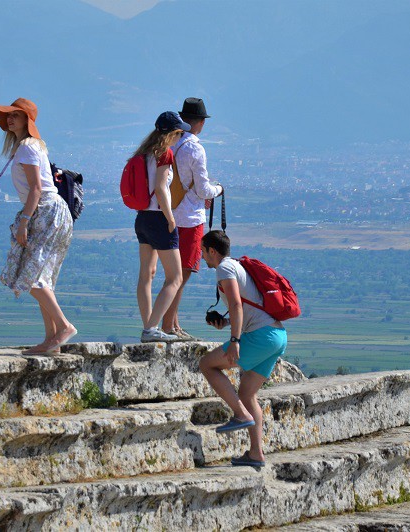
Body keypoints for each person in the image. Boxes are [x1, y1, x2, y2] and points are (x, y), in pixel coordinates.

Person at [0, 98, 77, 354]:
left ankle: (63, 327)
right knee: (43, 278)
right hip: (55, 212)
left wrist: (24, 222)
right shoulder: (33, 146)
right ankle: (51, 340)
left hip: (45, 212)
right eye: (9, 115)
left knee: (32, 277)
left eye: (16, 116)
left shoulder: (27, 147)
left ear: (27, 120)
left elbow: (36, 189)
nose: (10, 119)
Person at [198, 230, 288, 467]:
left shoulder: (224, 268)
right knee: (248, 393)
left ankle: (240, 414)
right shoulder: (238, 266)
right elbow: (247, 308)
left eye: (203, 251)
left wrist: (235, 340)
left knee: (206, 365)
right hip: (276, 335)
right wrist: (226, 323)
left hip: (259, 336)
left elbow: (237, 304)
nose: (202, 256)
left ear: (212, 251)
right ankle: (256, 453)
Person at [161, 98, 223, 339]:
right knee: (182, 275)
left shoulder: (171, 142)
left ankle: (173, 323)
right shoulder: (194, 147)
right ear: (199, 122)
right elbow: (203, 190)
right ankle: (169, 325)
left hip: (167, 214)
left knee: (172, 276)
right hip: (188, 217)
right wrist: (219, 189)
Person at [133, 111, 193, 343]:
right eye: (178, 133)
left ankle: (149, 324)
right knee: (175, 277)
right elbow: (160, 188)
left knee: (147, 274)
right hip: (158, 217)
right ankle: (150, 329)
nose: (179, 137)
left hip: (142, 218)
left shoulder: (144, 153)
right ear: (171, 134)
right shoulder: (164, 154)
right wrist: (170, 218)